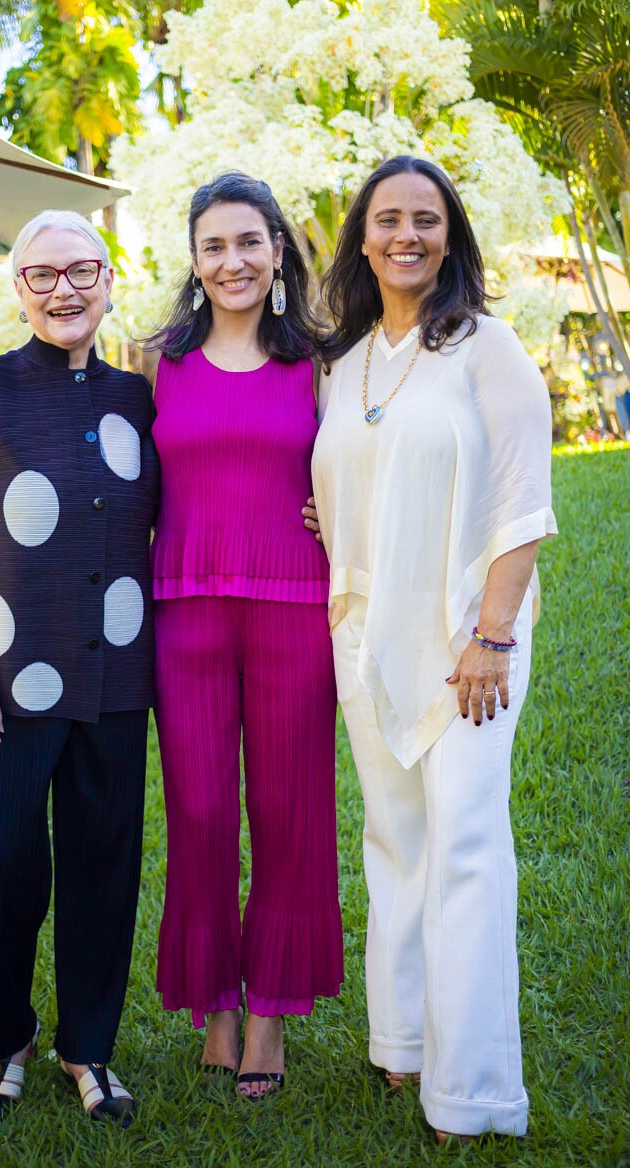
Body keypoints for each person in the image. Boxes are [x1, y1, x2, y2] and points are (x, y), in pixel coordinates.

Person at [310, 156, 557, 1143]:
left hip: (467, 643)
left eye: (424, 219)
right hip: (363, 634)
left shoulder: (486, 348)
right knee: (394, 841)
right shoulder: (345, 361)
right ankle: (400, 1043)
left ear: (447, 236)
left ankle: (471, 1092)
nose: (404, 236)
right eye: (386, 221)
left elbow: (521, 501)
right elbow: (352, 474)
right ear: (360, 240)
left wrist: (492, 634)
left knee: (461, 847)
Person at [0, 210, 158, 1127]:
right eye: (43, 275)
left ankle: (87, 1049)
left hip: (115, 678)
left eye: (83, 270)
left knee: (103, 868)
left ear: (106, 278)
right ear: (19, 289)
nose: (66, 289)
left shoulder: (139, 397)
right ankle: (6, 1035)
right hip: (1, 683)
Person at [143, 172, 343, 1099]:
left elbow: (359, 467)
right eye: (214, 245)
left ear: (277, 253)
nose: (233, 261)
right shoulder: (159, 362)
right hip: (183, 607)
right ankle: (215, 1000)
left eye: (249, 243)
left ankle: (269, 1014)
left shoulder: (319, 361)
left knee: (289, 808)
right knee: (201, 811)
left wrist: (336, 517)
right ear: (194, 259)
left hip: (293, 606)